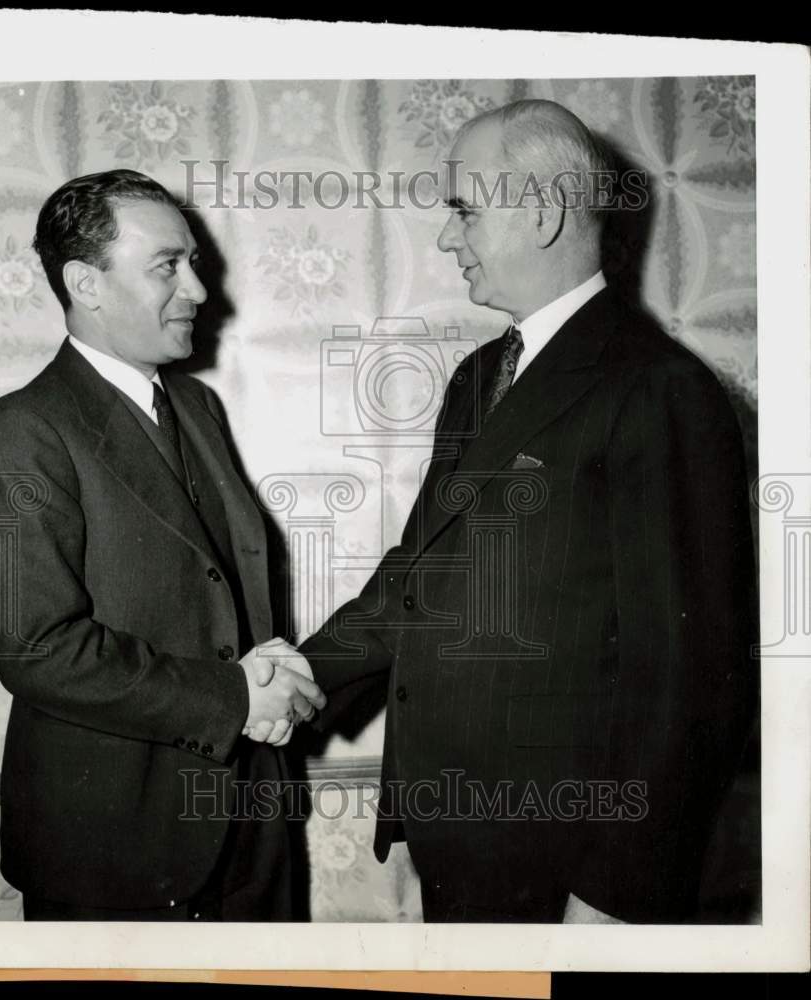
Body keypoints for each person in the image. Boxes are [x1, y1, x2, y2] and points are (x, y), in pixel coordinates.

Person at [299, 100, 757, 923]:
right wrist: (303, 677)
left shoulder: (660, 388)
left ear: (542, 213)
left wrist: (615, 896)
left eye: (464, 211)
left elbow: (688, 682)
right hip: (457, 841)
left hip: (570, 869)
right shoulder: (479, 375)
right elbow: (418, 581)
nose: (447, 238)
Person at [0, 169, 325, 922]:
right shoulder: (18, 431)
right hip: (115, 849)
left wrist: (274, 679)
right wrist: (237, 697)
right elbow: (37, 648)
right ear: (84, 284)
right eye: (168, 266)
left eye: (193, 262)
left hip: (252, 828)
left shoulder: (196, 405)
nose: (197, 290)